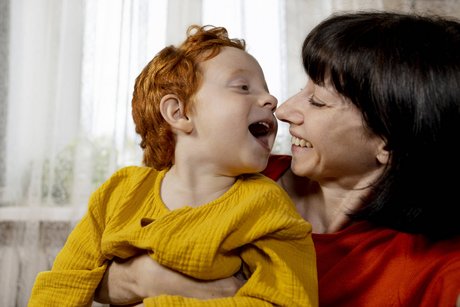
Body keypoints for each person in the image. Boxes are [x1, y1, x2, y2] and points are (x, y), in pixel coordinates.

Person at [95, 11, 460, 307]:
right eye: (303, 89)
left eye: (317, 101)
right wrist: (146, 278)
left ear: (389, 141)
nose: (283, 110)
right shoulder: (229, 171)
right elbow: (92, 269)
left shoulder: (438, 271)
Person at [28, 25, 318, 306]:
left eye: (265, 89)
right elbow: (63, 283)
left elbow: (288, 299)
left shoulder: (266, 206)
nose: (271, 99)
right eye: (243, 87)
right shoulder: (119, 193)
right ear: (178, 113)